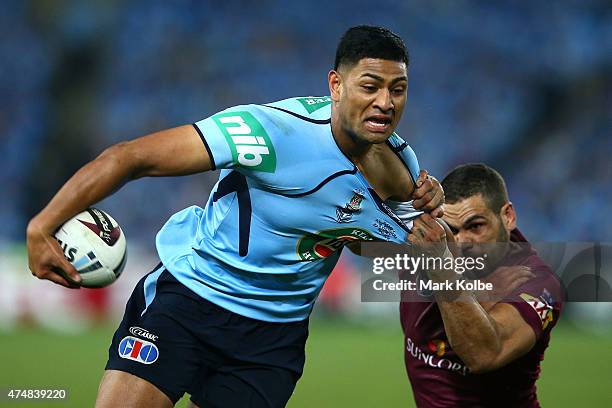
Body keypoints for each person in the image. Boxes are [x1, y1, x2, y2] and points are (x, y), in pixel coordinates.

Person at [26, 26, 444, 408]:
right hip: (190, 300)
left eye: (399, 89)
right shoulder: (267, 133)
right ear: (335, 85)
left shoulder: (401, 169)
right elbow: (130, 158)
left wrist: (423, 240)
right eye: (370, 86)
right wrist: (43, 225)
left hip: (272, 339)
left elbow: (355, 234)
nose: (385, 103)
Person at [400, 163, 564, 407]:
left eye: (475, 226)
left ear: (507, 216)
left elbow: (484, 353)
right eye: (451, 229)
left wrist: (440, 268)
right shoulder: (426, 238)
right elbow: (353, 237)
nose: (462, 242)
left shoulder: (538, 283)